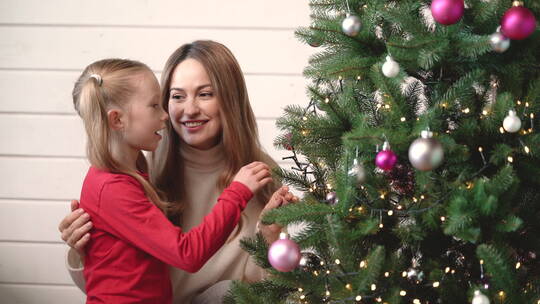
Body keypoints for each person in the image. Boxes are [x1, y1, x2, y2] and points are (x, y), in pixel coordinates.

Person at [59, 41, 295, 303]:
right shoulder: (142, 174)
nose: (189, 109)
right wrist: (82, 248)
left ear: (230, 99)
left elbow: (267, 291)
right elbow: (115, 285)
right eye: (177, 96)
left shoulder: (259, 176)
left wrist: (269, 241)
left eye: (205, 94)